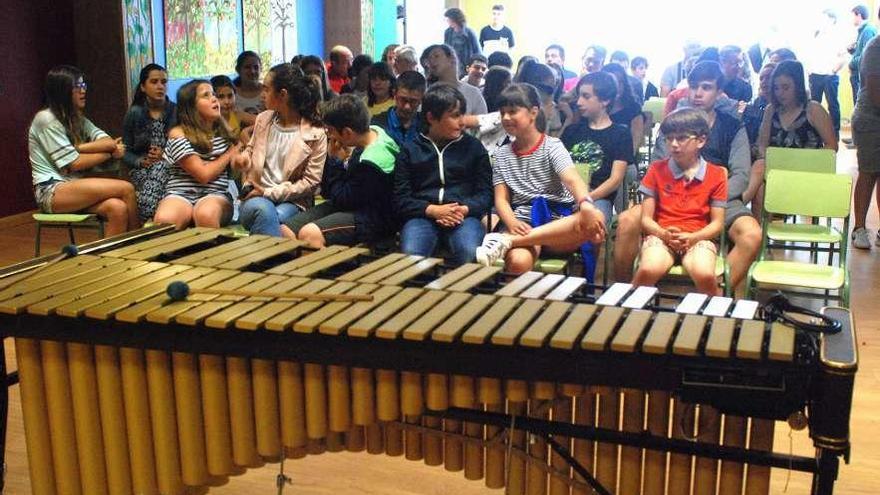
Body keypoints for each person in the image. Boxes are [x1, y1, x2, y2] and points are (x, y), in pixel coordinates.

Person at [614, 61, 762, 291]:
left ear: (719, 91)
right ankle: (625, 291)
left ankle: (719, 293)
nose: (698, 93)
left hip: (720, 195)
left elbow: (741, 175)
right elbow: (657, 166)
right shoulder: (675, 124)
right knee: (626, 220)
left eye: (706, 87)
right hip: (669, 193)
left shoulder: (733, 127)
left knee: (751, 234)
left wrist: (708, 198)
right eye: (694, 86)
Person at [474, 83, 606, 272]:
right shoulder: (502, 154)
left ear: (533, 112)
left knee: (595, 215)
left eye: (512, 112)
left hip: (558, 224)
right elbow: (501, 199)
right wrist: (511, 222)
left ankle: (508, 241)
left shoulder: (552, 146)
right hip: (523, 222)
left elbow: (572, 179)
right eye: (502, 113)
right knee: (518, 261)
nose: (506, 118)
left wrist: (585, 203)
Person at [28, 65, 139, 236]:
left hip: (72, 187)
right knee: (127, 188)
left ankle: (109, 260)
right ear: (62, 91)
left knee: (117, 208)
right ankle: (140, 249)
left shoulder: (77, 118)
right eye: (77, 87)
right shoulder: (46, 119)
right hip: (51, 191)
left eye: (83, 86)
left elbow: (107, 141)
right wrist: (110, 152)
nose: (83, 91)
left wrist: (78, 148)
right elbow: (75, 163)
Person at [632, 108, 727, 296]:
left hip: (699, 237)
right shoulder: (656, 170)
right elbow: (646, 220)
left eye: (682, 138)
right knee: (647, 270)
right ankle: (628, 315)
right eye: (669, 138)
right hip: (661, 236)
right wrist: (663, 234)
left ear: (701, 140)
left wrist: (693, 238)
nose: (674, 144)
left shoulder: (717, 174)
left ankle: (714, 319)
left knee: (705, 274)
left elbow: (718, 223)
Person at [394, 84, 492, 266]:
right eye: (455, 116)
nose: (462, 122)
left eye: (462, 114)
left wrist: (463, 209)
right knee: (410, 258)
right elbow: (401, 199)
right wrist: (432, 210)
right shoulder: (410, 150)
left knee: (469, 253)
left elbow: (485, 195)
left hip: (464, 217)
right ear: (431, 117)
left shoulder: (474, 148)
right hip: (422, 217)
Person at [286, 95, 400, 247]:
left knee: (309, 234)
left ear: (347, 133)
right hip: (348, 205)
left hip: (373, 218)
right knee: (286, 230)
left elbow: (343, 199)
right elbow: (328, 192)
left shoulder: (372, 162)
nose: (330, 136)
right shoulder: (372, 131)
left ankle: (328, 270)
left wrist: (336, 162)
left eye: (331, 131)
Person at [232, 64, 327, 237]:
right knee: (264, 211)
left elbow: (310, 182)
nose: (262, 95)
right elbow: (251, 150)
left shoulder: (315, 133)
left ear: (282, 94)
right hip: (254, 198)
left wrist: (268, 193)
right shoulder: (263, 119)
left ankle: (268, 261)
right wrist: (244, 158)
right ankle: (278, 261)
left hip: (292, 202)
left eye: (266, 89)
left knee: (272, 216)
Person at [744, 60, 838, 215]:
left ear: (798, 86)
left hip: (807, 173)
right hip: (777, 173)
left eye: (786, 87)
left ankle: (738, 203)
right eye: (776, 88)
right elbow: (762, 146)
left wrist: (796, 159)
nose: (780, 93)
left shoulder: (814, 109)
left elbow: (832, 147)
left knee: (761, 169)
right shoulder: (771, 110)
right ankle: (759, 235)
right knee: (760, 181)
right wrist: (774, 159)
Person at [153, 79, 239, 230]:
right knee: (164, 221)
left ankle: (212, 254)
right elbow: (203, 175)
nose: (214, 98)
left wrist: (240, 160)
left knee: (205, 214)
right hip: (180, 194)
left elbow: (236, 170)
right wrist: (229, 153)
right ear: (191, 106)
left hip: (216, 194)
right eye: (206, 95)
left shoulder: (225, 134)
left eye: (213, 94)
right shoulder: (178, 133)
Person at [560, 72, 633, 225]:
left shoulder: (621, 134)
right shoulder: (571, 131)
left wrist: (587, 198)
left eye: (586, 96)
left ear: (605, 100)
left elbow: (615, 180)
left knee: (592, 222)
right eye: (578, 96)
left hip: (598, 197)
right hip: (565, 193)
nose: (579, 102)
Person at [123, 63, 177, 222]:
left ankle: (146, 213)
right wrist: (140, 161)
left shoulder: (177, 111)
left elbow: (187, 145)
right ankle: (152, 216)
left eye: (164, 82)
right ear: (143, 87)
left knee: (162, 166)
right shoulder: (134, 113)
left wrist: (165, 154)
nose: (160, 86)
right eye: (154, 82)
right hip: (141, 171)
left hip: (171, 168)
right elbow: (124, 150)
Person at [852, 22, 880, 249]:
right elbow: (876, 92)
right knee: (869, 172)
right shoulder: (875, 48)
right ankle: (859, 228)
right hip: (871, 120)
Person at [806, 9, 847, 139]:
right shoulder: (816, 34)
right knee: (814, 103)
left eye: (823, 18)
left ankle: (835, 133)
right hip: (815, 74)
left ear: (832, 19)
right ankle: (813, 131)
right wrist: (810, 69)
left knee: (833, 104)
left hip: (830, 76)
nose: (820, 20)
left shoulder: (838, 35)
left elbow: (844, 56)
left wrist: (834, 70)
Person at [422, 44, 488, 115]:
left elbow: (482, 122)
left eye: (436, 56)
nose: (431, 61)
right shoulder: (429, 93)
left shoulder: (473, 93)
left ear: (452, 59)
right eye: (429, 59)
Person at [371, 70, 426, 145]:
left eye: (413, 101)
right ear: (394, 95)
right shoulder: (377, 124)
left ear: (421, 100)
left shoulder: (427, 126)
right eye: (403, 99)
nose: (407, 107)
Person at [602, 63, 645, 156]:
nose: (616, 87)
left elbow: (634, 144)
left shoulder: (633, 109)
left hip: (624, 160)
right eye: (612, 82)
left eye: (620, 82)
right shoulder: (594, 109)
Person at [849, 5, 878, 105]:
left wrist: (850, 63)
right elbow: (863, 52)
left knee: (859, 105)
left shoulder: (867, 31)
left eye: (852, 15)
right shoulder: (864, 31)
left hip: (860, 76)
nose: (851, 19)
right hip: (859, 75)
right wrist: (853, 50)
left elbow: (866, 57)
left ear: (859, 15)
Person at [444, 8, 481, 78]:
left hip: (467, 67)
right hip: (453, 67)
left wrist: (475, 68)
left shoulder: (470, 33)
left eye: (448, 19)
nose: (447, 21)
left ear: (454, 19)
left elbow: (478, 52)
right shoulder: (448, 32)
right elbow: (445, 50)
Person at [232, 51, 263, 125]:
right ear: (238, 70)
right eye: (247, 67)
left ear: (261, 69)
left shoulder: (268, 92)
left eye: (256, 67)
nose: (252, 71)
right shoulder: (231, 94)